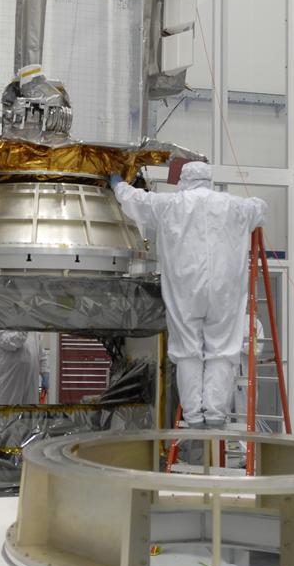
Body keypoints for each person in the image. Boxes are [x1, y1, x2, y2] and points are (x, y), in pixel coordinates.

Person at [111, 162, 267, 428]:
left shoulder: (171, 204)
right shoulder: (233, 205)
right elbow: (260, 207)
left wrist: (118, 184)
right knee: (222, 350)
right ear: (209, 180)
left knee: (187, 352)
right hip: (224, 290)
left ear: (184, 179)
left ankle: (194, 414)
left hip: (185, 290)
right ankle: (216, 413)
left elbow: (136, 200)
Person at [0, 332, 50, 406]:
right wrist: (25, 328)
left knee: (29, 413)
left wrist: (45, 373)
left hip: (31, 381)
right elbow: (15, 342)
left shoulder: (34, 332)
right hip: (11, 382)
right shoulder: (2, 328)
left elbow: (41, 354)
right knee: (10, 413)